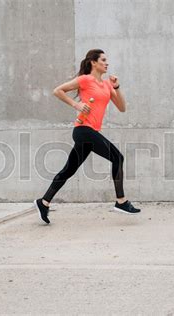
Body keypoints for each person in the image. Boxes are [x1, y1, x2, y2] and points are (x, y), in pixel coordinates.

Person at [33, 49, 141, 224]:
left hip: (91, 133)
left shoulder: (107, 85)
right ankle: (121, 201)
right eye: (103, 60)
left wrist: (117, 87)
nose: (107, 63)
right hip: (83, 130)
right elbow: (58, 91)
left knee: (69, 169)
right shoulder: (85, 80)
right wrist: (76, 104)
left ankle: (43, 202)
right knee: (118, 158)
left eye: (107, 60)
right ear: (93, 62)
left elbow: (122, 108)